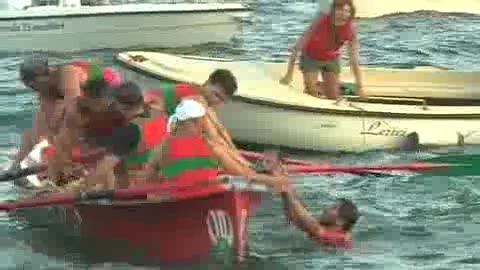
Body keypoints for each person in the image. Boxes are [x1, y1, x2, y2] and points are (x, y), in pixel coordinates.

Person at [147, 99, 288, 189]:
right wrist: (277, 180)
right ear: (196, 121)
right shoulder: (211, 147)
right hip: (206, 196)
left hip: (176, 199)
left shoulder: (160, 148)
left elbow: (149, 183)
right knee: (225, 178)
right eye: (203, 119)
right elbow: (247, 175)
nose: (204, 123)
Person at [279, 0, 366, 100]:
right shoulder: (322, 19)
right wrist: (289, 75)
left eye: (347, 11)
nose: (343, 14)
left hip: (331, 58)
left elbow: (354, 60)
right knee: (312, 93)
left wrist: (359, 86)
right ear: (333, 11)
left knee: (333, 95)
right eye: (340, 10)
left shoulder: (351, 29)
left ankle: (322, 91)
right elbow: (297, 47)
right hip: (311, 56)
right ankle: (313, 89)